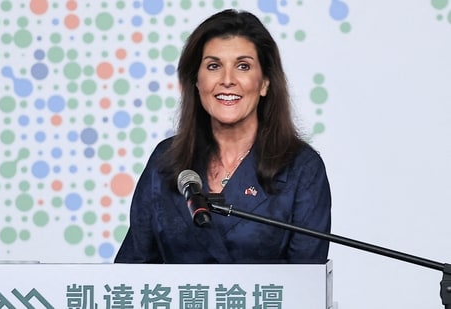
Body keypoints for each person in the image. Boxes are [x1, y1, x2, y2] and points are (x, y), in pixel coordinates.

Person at [114, 9, 331, 264]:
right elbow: (131, 272)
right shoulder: (166, 161)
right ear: (196, 80)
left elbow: (306, 288)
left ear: (264, 83)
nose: (227, 80)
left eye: (243, 66)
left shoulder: (301, 169)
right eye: (214, 66)